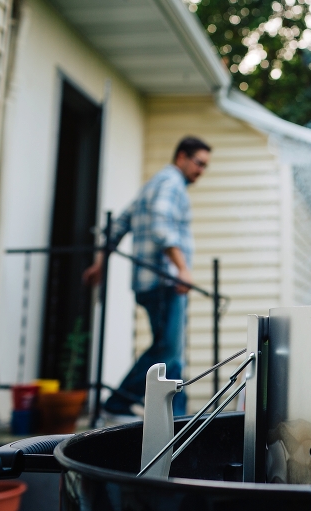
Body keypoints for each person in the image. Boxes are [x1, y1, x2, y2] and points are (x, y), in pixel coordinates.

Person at [83, 136, 211, 417]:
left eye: (205, 166)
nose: (201, 171)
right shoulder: (171, 184)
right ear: (181, 157)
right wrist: (182, 269)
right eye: (199, 163)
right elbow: (161, 227)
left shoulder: (152, 185)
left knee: (166, 347)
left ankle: (139, 405)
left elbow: (119, 224)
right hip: (164, 281)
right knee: (170, 352)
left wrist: (100, 263)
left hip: (148, 282)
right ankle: (173, 417)